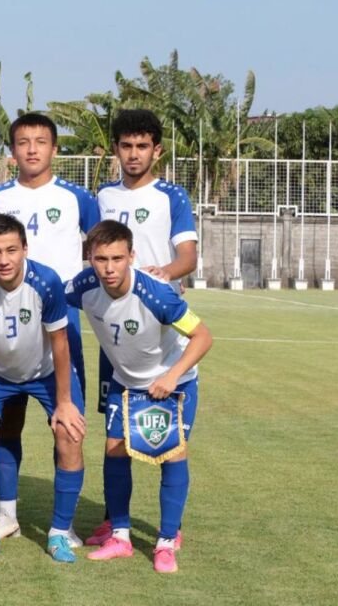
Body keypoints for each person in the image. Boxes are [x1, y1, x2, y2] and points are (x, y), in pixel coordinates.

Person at [0, 113, 98, 541]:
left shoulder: (78, 198)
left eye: (40, 141)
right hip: (3, 321)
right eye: (23, 142)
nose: (32, 149)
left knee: (66, 422)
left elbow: (104, 249)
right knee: (9, 424)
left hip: (59, 322)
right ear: (12, 150)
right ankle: (7, 515)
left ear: (54, 148)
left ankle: (63, 525)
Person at [65, 220, 212, 573]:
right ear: (90, 258)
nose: (109, 268)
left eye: (117, 258)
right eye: (101, 259)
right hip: (126, 383)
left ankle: (167, 541)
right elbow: (50, 296)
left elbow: (203, 337)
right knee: (114, 450)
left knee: (172, 454)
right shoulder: (84, 286)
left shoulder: (157, 294)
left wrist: (171, 377)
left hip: (175, 383)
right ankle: (120, 536)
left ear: (131, 256)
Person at [88, 109, 198, 546]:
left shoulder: (171, 196)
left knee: (165, 437)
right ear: (115, 149)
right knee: (116, 435)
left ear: (157, 150)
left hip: (158, 324)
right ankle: (115, 521)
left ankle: (169, 530)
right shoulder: (102, 195)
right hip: (116, 331)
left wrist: (164, 274)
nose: (134, 154)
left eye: (142, 146)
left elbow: (188, 256)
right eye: (126, 146)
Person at [0, 214, 85, 562]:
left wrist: (64, 402)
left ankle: (60, 532)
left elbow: (60, 342)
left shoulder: (46, 280)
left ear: (25, 249)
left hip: (44, 372)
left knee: (70, 433)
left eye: (11, 250)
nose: (4, 259)